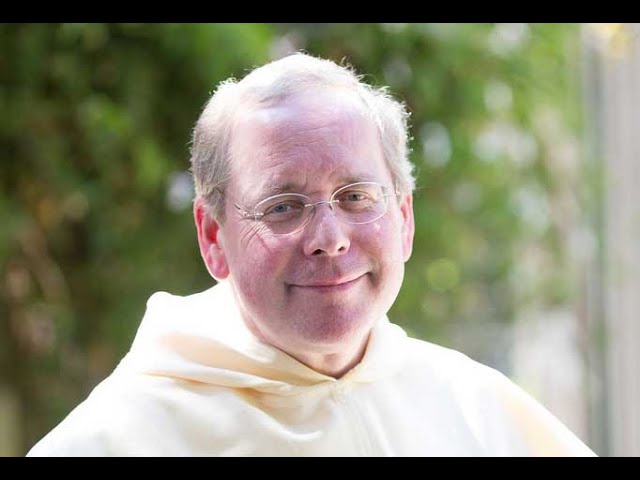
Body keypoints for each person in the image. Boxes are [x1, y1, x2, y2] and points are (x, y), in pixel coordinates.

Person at [28, 52, 596, 457]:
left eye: (356, 196)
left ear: (404, 218)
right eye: (282, 207)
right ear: (213, 237)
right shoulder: (119, 439)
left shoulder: (479, 414)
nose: (330, 237)